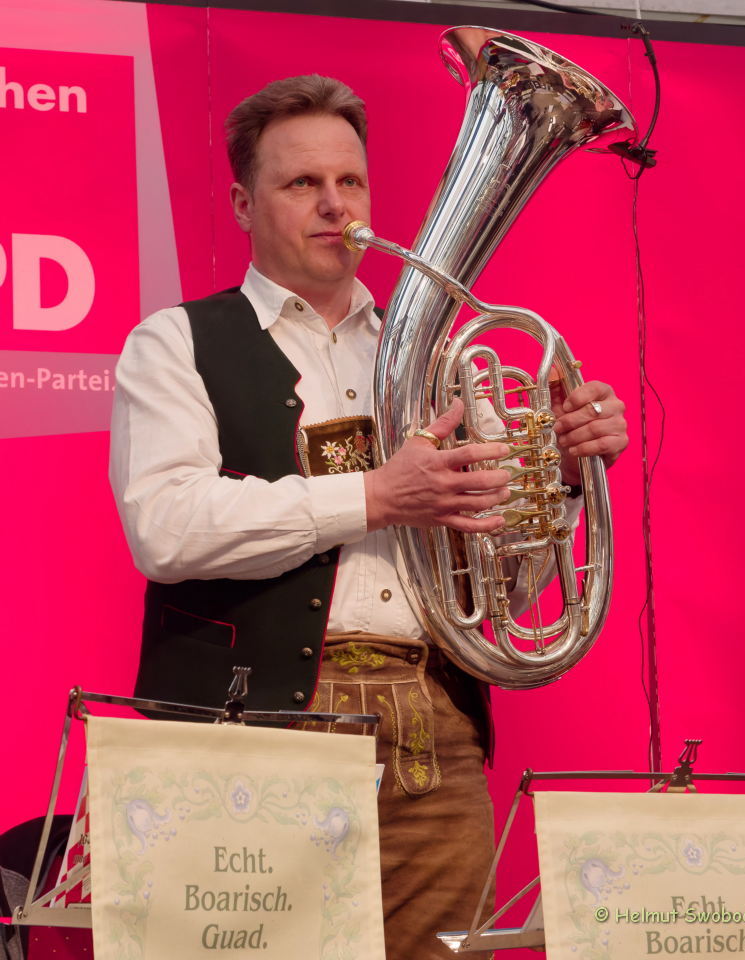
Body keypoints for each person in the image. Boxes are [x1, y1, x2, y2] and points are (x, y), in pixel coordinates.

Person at [110, 75, 628, 960]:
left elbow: (499, 589)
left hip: (436, 734)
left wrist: (564, 481)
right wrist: (376, 497)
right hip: (255, 731)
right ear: (243, 205)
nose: (334, 205)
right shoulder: (176, 341)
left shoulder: (435, 360)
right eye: (301, 183)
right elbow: (165, 524)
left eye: (350, 181)